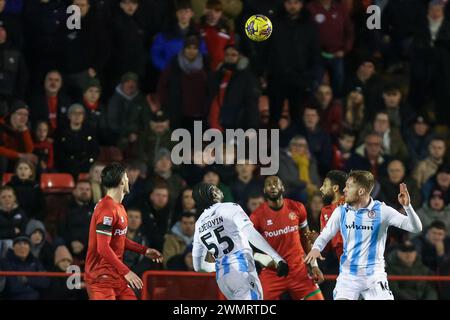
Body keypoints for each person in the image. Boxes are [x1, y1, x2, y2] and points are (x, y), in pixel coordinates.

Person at [305, 170, 423, 300]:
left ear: (361, 191)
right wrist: (316, 248)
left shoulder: (382, 211)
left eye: (349, 186)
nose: (344, 190)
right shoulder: (341, 211)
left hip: (374, 278)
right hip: (348, 277)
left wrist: (407, 207)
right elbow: (325, 235)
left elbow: (416, 228)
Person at [192, 182, 289, 300]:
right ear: (212, 194)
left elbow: (198, 266)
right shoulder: (229, 207)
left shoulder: (199, 224)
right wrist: (277, 258)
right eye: (216, 188)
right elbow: (250, 233)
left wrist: (222, 266)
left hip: (223, 279)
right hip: (240, 270)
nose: (219, 190)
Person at [85, 162, 163, 300]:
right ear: (122, 181)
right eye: (126, 177)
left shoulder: (119, 207)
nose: (128, 180)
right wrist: (127, 272)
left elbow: (118, 239)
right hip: (101, 277)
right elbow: (103, 247)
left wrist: (144, 250)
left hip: (116, 276)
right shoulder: (106, 209)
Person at [250, 176, 324, 300]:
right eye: (269, 184)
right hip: (272, 272)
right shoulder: (256, 216)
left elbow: (306, 239)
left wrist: (314, 265)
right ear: (264, 190)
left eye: (276, 183)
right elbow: (247, 247)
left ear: (282, 188)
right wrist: (263, 259)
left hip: (299, 270)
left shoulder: (298, 208)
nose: (273, 186)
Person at [265, 0, 321, 123]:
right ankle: (272, 142)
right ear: (284, 4)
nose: (292, 6)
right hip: (277, 77)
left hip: (300, 78)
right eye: (289, 3)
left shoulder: (309, 25)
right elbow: (265, 49)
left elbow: (315, 51)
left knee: (297, 117)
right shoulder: (273, 23)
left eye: (296, 3)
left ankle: (295, 141)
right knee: (274, 116)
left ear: (301, 5)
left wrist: (310, 74)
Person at [157, 34, 211, 130]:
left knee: (196, 143)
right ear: (184, 49)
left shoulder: (206, 65)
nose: (191, 51)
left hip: (199, 114)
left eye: (195, 48)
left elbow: (211, 88)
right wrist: (166, 106)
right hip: (178, 113)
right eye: (188, 48)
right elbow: (162, 86)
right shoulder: (174, 64)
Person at [54, 103, 100, 178]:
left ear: (83, 116)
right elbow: (59, 152)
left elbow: (95, 150)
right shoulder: (61, 132)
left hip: (86, 166)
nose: (77, 116)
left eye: (80, 113)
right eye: (74, 113)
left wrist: (88, 162)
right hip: (66, 167)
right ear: (69, 116)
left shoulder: (90, 131)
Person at [58, 180, 95, 263]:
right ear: (74, 191)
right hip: (69, 244)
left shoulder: (97, 209)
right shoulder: (65, 208)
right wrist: (71, 242)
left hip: (89, 245)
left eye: (87, 189)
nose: (84, 192)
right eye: (81, 189)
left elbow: (97, 230)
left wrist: (83, 242)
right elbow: (61, 228)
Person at [0, 100, 36, 172]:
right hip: (5, 159)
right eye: (20, 114)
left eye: (26, 115)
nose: (23, 118)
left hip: (16, 160)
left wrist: (25, 132)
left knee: (33, 161)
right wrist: (19, 155)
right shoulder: (1, 126)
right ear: (11, 114)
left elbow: (29, 151)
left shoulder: (26, 128)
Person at [319, 170, 347, 261]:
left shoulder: (351, 204)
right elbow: (325, 247)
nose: (321, 188)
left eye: (325, 185)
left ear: (335, 188)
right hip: (341, 259)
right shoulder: (325, 211)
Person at [200, 0, 234, 70]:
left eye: (217, 11)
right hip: (201, 68)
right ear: (205, 11)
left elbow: (231, 49)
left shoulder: (227, 30)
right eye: (210, 11)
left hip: (221, 68)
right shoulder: (199, 27)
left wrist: (224, 64)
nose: (213, 14)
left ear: (221, 13)